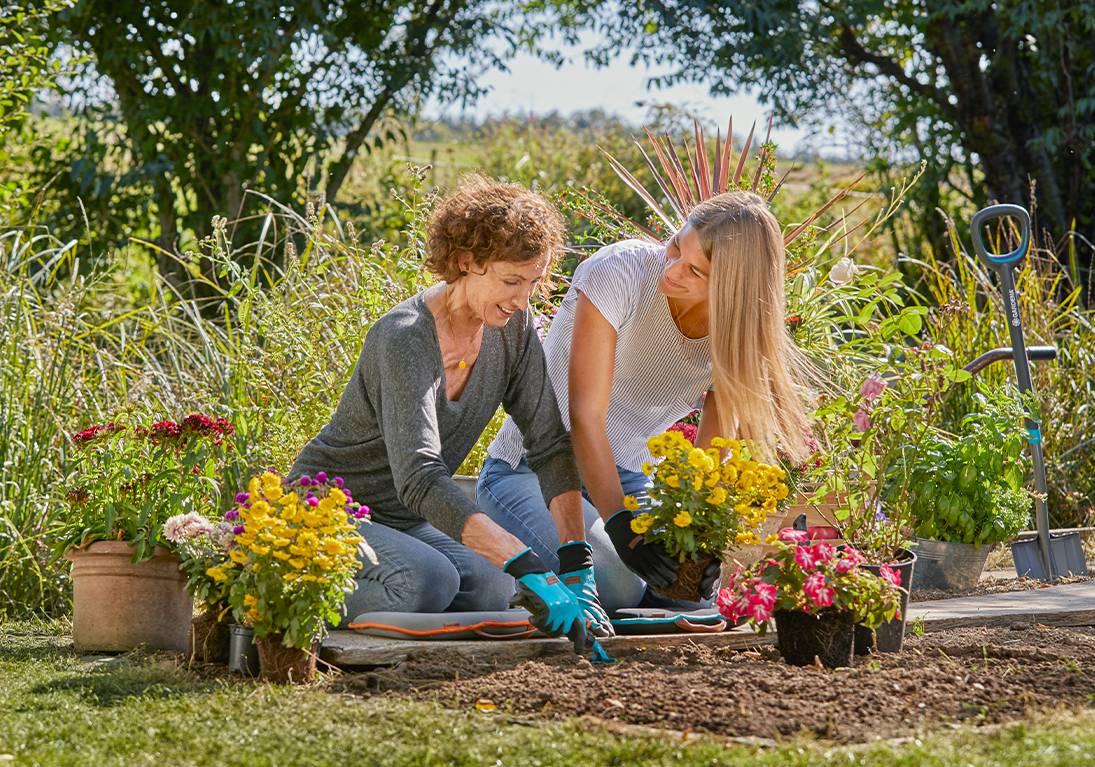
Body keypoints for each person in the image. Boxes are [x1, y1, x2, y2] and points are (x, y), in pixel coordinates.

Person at [289, 177, 609, 648]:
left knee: (493, 585)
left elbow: (549, 443)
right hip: (326, 508)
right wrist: (529, 565)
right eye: (511, 281)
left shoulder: (512, 330)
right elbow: (419, 476)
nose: (524, 301)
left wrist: (577, 563)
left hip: (402, 519)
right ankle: (274, 588)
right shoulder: (403, 337)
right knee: (427, 582)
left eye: (534, 283)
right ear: (466, 262)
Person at [477, 190, 813, 612]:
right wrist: (619, 526)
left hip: (630, 478)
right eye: (675, 246)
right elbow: (586, 416)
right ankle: (510, 575)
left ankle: (554, 587)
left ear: (731, 289)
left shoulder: (732, 339)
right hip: (531, 470)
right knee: (616, 585)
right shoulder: (621, 272)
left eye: (695, 271)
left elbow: (705, 464)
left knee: (692, 597)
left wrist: (702, 550)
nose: (672, 271)